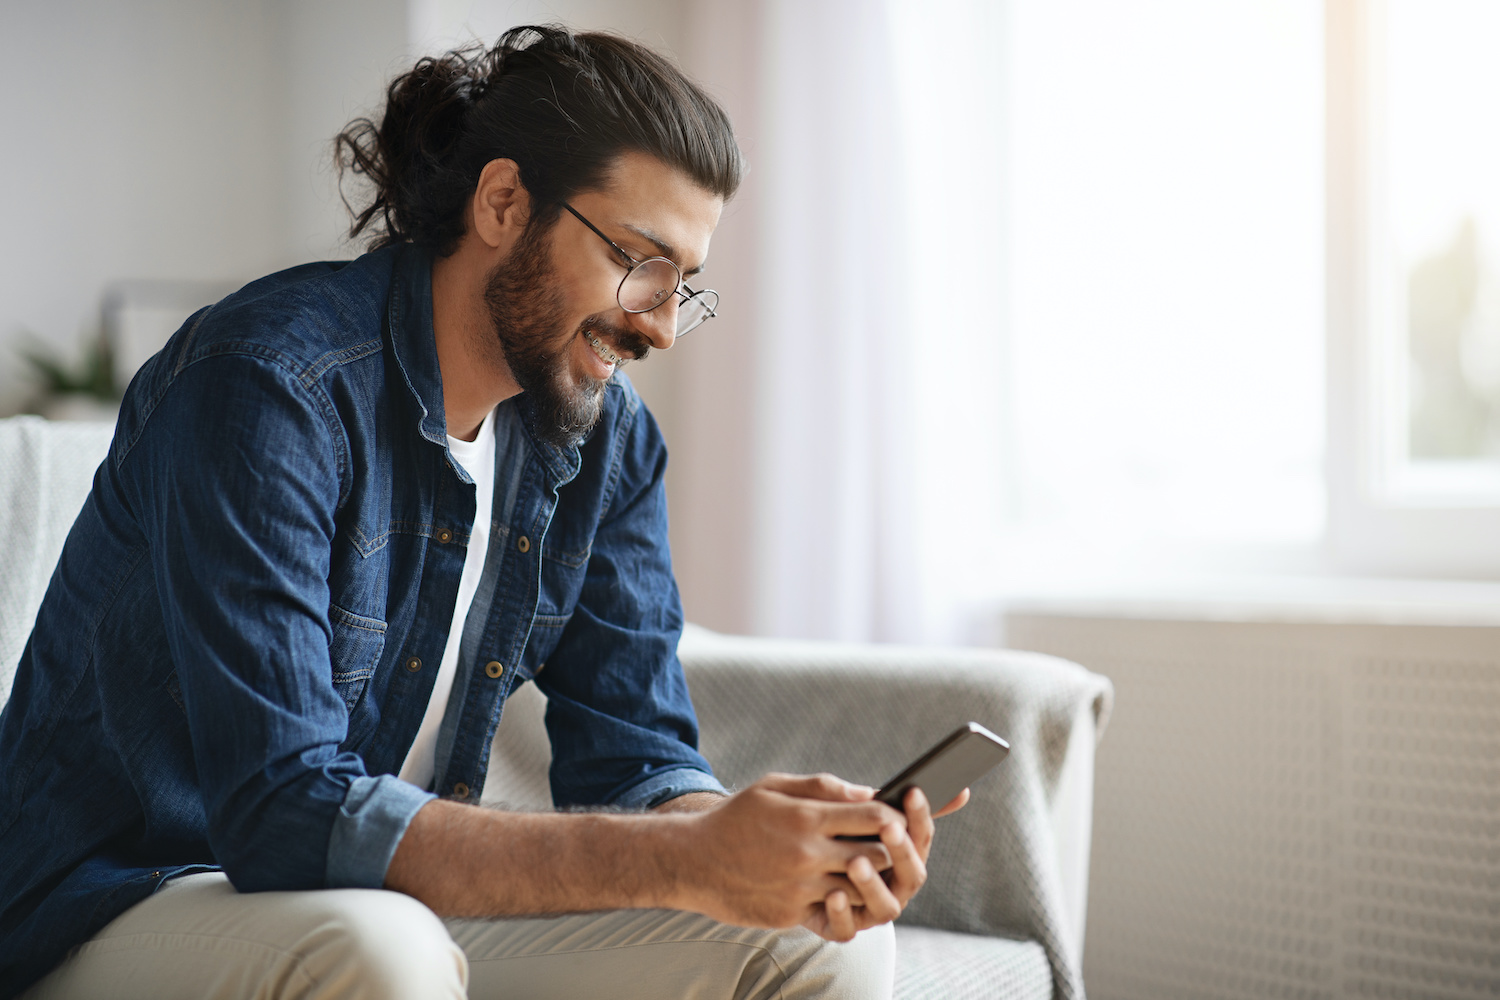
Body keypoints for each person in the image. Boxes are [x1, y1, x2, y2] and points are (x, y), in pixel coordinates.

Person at [0, 25, 965, 1000]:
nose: (663, 326)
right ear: (505, 203)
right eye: (641, 262)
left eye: (687, 288)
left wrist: (756, 853)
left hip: (374, 898)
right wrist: (687, 857)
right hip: (121, 897)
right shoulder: (268, 385)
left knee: (815, 940)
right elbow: (283, 814)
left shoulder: (604, 443)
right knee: (381, 949)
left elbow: (635, 757)